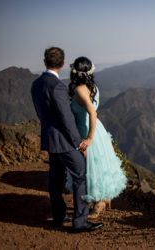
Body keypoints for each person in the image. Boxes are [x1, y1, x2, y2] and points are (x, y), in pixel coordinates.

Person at [31, 47, 103, 232]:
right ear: (62, 64)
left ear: (44, 61)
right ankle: (80, 222)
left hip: (49, 138)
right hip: (65, 141)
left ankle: (59, 216)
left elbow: (42, 113)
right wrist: (79, 142)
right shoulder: (58, 87)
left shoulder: (36, 84)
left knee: (55, 177)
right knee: (80, 176)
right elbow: (67, 119)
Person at [66, 56, 127, 218]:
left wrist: (89, 138)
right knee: (99, 166)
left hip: (86, 131)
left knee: (89, 168)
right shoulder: (92, 87)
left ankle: (98, 203)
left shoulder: (79, 89)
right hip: (97, 129)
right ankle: (104, 199)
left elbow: (92, 112)